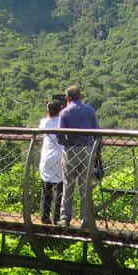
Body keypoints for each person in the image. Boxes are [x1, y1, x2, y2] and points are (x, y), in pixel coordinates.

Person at [56, 85, 99, 227]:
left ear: (68, 98)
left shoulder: (65, 112)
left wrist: (67, 143)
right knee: (85, 186)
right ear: (80, 96)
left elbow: (60, 135)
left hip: (71, 150)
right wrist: (97, 150)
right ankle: (86, 219)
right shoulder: (90, 110)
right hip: (87, 150)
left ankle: (65, 218)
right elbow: (96, 132)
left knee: (68, 184)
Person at [37, 99, 64, 224]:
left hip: (47, 156)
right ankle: (57, 216)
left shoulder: (44, 122)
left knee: (46, 187)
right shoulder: (63, 121)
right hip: (60, 156)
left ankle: (44, 215)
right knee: (60, 188)